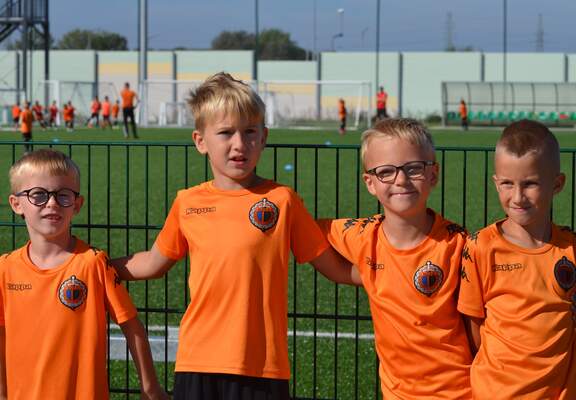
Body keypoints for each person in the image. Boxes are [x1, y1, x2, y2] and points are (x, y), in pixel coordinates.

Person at [111, 72, 359, 400]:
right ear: (201, 141)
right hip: (197, 360)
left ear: (264, 137)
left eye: (250, 132)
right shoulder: (187, 202)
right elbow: (153, 263)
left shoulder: (282, 201)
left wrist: (387, 271)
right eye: (226, 133)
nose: (239, 144)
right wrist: (96, 266)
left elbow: (335, 269)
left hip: (262, 367)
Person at [318, 118, 473, 399]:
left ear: (433, 175)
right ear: (370, 183)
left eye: (413, 168)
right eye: (386, 172)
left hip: (459, 393)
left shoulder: (459, 245)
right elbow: (305, 230)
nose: (401, 180)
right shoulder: (363, 236)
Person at [0, 149, 168, 399]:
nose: (52, 203)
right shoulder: (5, 269)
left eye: (63, 195)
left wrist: (150, 387)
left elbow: (131, 326)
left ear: (77, 205)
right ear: (16, 204)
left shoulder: (92, 263)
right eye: (38, 195)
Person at [458, 119, 576, 399]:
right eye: (507, 184)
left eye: (530, 183)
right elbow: (473, 329)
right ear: (496, 183)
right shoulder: (480, 247)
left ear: (557, 184)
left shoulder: (570, 247)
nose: (518, 197)